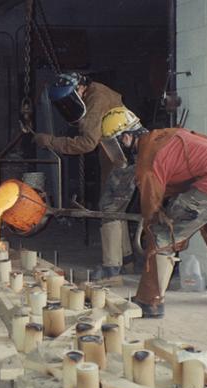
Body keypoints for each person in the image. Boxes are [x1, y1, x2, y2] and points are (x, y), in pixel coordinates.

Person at [100, 106, 207, 318]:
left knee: (162, 234)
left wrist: (151, 225)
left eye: (115, 143)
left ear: (126, 137)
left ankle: (149, 302)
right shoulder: (166, 135)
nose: (116, 149)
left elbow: (151, 203)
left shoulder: (148, 157)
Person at [34, 72, 136, 279]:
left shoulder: (96, 99)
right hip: (119, 156)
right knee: (118, 208)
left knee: (109, 209)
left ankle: (111, 267)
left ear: (80, 88)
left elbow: (87, 142)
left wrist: (51, 141)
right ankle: (126, 260)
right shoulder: (97, 91)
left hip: (123, 158)